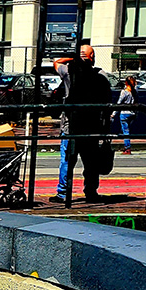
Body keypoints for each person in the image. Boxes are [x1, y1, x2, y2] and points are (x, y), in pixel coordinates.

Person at [51, 44, 111, 204]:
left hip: (71, 125)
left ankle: (63, 193)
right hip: (91, 125)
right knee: (91, 163)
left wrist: (73, 57)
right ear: (92, 58)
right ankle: (91, 192)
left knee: (67, 161)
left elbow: (57, 62)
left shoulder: (68, 72)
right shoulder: (101, 75)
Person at [118, 76, 137, 154]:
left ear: (126, 83)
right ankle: (126, 146)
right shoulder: (135, 92)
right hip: (132, 113)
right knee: (127, 130)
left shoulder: (124, 92)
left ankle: (127, 148)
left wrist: (113, 113)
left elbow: (119, 103)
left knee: (125, 131)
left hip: (124, 113)